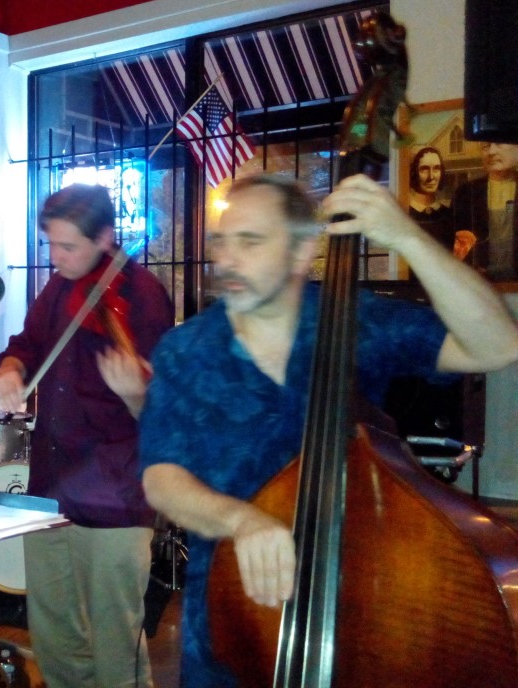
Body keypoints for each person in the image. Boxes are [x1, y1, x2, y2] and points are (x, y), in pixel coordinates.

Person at [138, 173, 518, 687]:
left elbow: (497, 345)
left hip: (365, 614)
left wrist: (407, 237)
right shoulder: (184, 351)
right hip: (231, 626)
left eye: (250, 241)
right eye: (221, 242)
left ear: (300, 253)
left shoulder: (354, 322)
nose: (226, 259)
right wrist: (241, 520)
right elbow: (161, 478)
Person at [0, 183, 174, 688]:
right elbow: (26, 343)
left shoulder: (142, 296)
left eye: (68, 246)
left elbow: (167, 412)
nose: (57, 257)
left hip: (115, 494)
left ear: (105, 237)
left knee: (116, 638)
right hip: (51, 487)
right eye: (51, 244)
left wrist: (136, 394)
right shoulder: (59, 287)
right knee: (54, 632)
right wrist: (11, 369)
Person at [452, 141, 518, 280]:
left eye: (499, 143)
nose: (491, 152)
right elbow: (454, 242)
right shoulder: (466, 193)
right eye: (485, 146)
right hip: (480, 284)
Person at [407, 146, 454, 253]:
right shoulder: (405, 212)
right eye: (424, 169)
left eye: (436, 168)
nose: (431, 176)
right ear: (413, 172)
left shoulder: (449, 215)